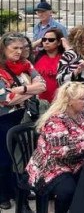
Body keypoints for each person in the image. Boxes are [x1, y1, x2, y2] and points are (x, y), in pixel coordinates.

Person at [26, 82, 84, 213]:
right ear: (69, 101)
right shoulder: (55, 120)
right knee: (68, 190)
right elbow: (60, 152)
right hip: (50, 165)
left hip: (74, 162)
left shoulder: (81, 113)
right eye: (82, 98)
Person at [0, 33, 46, 210]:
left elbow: (42, 85)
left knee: (22, 158)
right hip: (4, 119)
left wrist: (21, 89)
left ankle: (19, 192)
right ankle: (3, 194)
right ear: (4, 49)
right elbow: (6, 99)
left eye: (21, 48)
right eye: (14, 48)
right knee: (5, 159)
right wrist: (31, 90)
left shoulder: (26, 64)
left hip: (24, 116)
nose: (19, 52)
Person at [33, 27, 65, 103]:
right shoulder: (37, 56)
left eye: (51, 40)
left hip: (58, 101)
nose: (46, 42)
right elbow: (24, 50)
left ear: (59, 42)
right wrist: (39, 41)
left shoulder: (65, 57)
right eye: (44, 39)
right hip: (39, 101)